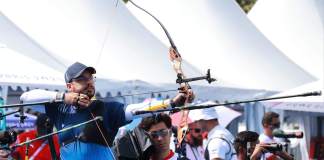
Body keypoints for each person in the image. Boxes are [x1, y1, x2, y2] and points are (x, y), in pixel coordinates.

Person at [20, 62, 193, 160]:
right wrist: (64, 97)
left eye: (91, 78)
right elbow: (25, 98)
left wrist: (171, 103)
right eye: (82, 79)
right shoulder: (59, 108)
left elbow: (135, 110)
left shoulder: (105, 108)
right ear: (70, 86)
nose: (89, 82)